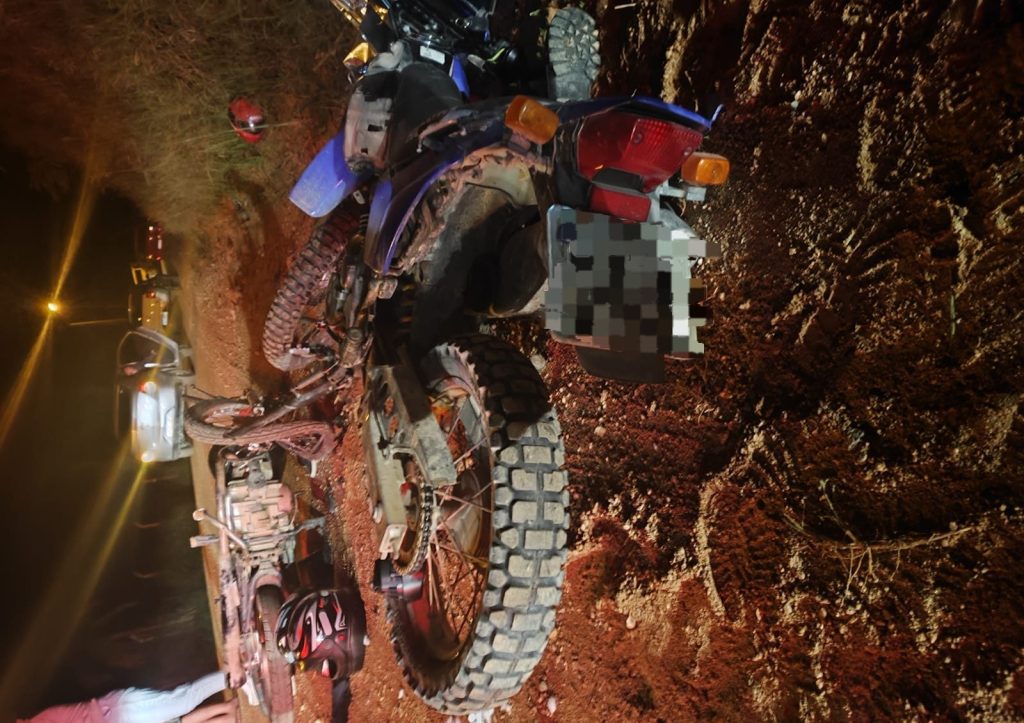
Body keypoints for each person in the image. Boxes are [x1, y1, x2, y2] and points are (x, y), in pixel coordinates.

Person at [18, 671, 234, 723]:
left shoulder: (45, 718)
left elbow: (89, 711)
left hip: (122, 711)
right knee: (179, 718)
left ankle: (233, 676)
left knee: (183, 701)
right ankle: (231, 713)